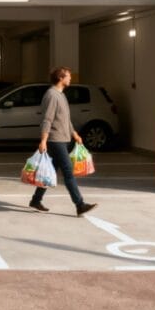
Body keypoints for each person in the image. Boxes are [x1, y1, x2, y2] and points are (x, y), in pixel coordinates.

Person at [29, 67, 98, 216]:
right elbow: (47, 119)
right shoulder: (52, 95)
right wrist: (43, 140)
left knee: (51, 171)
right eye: (68, 76)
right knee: (68, 172)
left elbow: (65, 119)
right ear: (61, 78)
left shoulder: (61, 95)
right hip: (55, 140)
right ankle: (80, 204)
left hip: (63, 138)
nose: (70, 78)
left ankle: (36, 200)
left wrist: (74, 134)